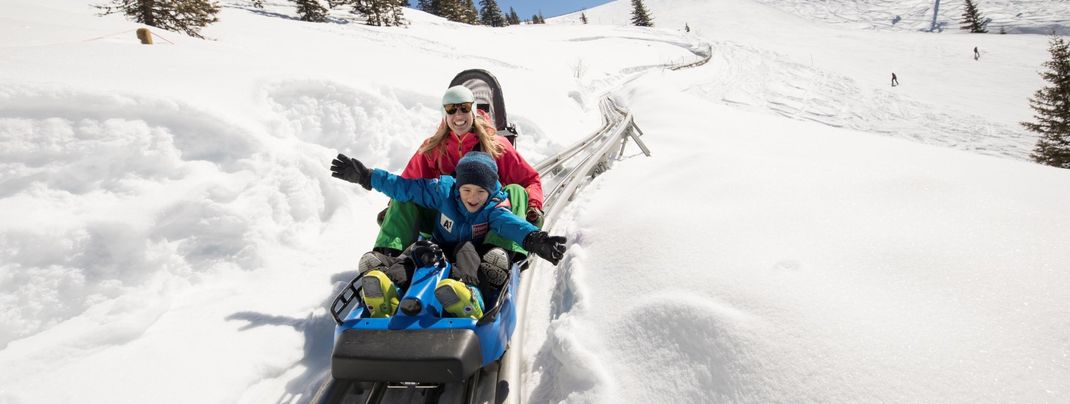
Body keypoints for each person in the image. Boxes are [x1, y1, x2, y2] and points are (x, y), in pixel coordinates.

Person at [331, 151, 567, 320]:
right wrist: (367, 177)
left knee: (465, 251)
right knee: (413, 254)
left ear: (491, 190)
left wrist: (537, 239)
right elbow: (404, 187)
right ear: (457, 187)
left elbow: (512, 224)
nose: (472, 198)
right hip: (439, 246)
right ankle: (388, 290)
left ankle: (470, 298)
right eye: (466, 190)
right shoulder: (442, 191)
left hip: (472, 254)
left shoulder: (494, 207)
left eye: (480, 192)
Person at [371, 85, 544, 277]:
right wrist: (392, 210)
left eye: (464, 108)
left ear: (473, 109)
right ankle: (387, 254)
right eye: (451, 109)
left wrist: (533, 206)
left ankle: (498, 254)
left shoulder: (496, 146)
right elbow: (407, 183)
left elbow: (530, 180)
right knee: (403, 196)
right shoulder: (433, 148)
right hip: (445, 223)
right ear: (444, 113)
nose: (458, 115)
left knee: (517, 190)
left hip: (487, 223)